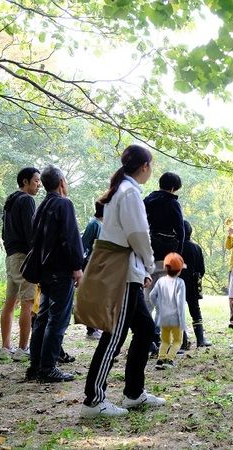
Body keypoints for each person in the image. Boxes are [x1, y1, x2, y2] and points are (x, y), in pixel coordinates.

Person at [81, 144, 165, 418]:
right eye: (151, 165)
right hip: (125, 272)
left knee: (144, 328)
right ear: (144, 167)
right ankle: (93, 400)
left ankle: (133, 393)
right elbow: (138, 235)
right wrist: (150, 263)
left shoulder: (125, 191)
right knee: (115, 334)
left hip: (129, 269)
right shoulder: (129, 193)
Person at [24, 165, 83, 383]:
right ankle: (48, 367)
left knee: (43, 317)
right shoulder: (63, 204)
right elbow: (71, 237)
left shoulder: (42, 206)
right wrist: (77, 267)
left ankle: (36, 365)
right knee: (57, 320)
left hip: (44, 270)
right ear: (61, 183)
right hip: (60, 270)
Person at [0, 167, 41, 361]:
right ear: (25, 182)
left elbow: (3, 232)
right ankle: (23, 349)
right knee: (27, 302)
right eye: (36, 181)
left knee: (9, 303)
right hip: (24, 257)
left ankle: (5, 348)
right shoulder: (27, 200)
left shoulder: (11, 200)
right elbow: (31, 231)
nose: (39, 185)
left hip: (10, 256)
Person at [144, 172, 185, 350]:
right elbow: (181, 230)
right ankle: (160, 338)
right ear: (173, 187)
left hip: (148, 255)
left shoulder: (147, 200)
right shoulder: (172, 203)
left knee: (147, 299)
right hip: (167, 257)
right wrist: (178, 255)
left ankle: (148, 337)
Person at [151, 252, 188, 369]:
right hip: (176, 317)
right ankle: (169, 359)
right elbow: (180, 303)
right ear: (179, 270)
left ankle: (160, 360)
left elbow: (152, 296)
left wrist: (158, 307)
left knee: (165, 341)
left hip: (163, 317)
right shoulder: (180, 283)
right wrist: (182, 321)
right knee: (178, 341)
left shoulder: (160, 281)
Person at [180, 220, 211, 347]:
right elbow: (202, 270)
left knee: (179, 312)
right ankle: (200, 339)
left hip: (178, 284)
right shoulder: (197, 248)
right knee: (195, 311)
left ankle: (183, 342)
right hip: (193, 284)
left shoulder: (176, 246)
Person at [81, 200, 104, 340]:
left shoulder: (100, 224)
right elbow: (84, 245)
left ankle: (95, 327)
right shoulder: (93, 224)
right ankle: (91, 330)